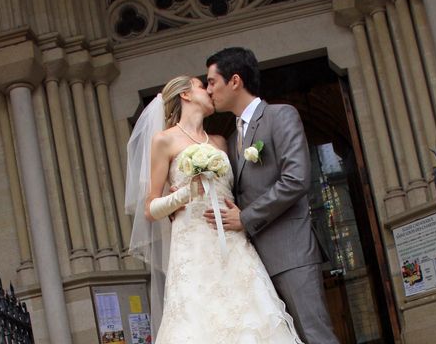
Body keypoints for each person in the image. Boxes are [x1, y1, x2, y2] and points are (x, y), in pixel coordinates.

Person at [125, 75, 303, 343]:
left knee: (252, 317)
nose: (209, 90)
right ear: (185, 95)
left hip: (232, 243)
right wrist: (184, 195)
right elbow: (150, 208)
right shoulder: (164, 140)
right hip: (193, 246)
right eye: (201, 86)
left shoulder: (220, 142)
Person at [204, 47, 340, 344]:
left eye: (212, 81)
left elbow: (296, 179)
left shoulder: (280, 116)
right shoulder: (230, 138)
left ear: (235, 81)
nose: (208, 89)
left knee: (315, 336)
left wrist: (245, 217)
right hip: (254, 263)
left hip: (291, 254)